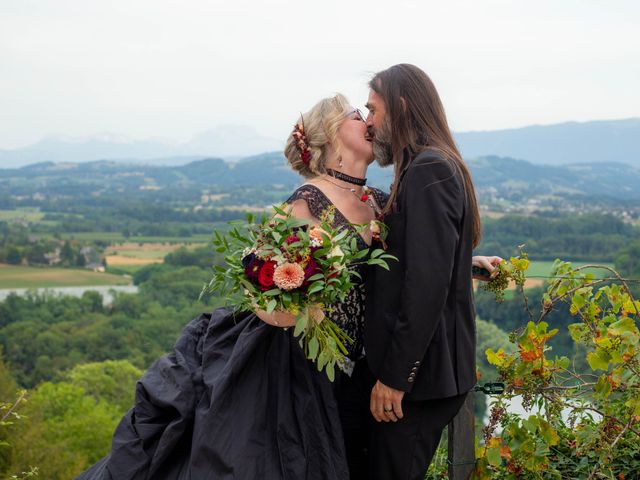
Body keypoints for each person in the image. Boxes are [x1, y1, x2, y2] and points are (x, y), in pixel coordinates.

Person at [77, 91, 499, 480]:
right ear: (333, 135)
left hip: (353, 364)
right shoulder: (305, 202)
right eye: (358, 115)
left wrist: (465, 265)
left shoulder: (375, 198)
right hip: (295, 365)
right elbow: (264, 297)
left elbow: (412, 266)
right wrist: (304, 300)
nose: (369, 122)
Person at [349, 63, 486, 480]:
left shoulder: (429, 170)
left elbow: (425, 284)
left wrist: (395, 378)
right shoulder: (423, 167)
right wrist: (470, 263)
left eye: (373, 110)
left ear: (402, 106)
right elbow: (428, 258)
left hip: (419, 382)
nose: (368, 122)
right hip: (420, 378)